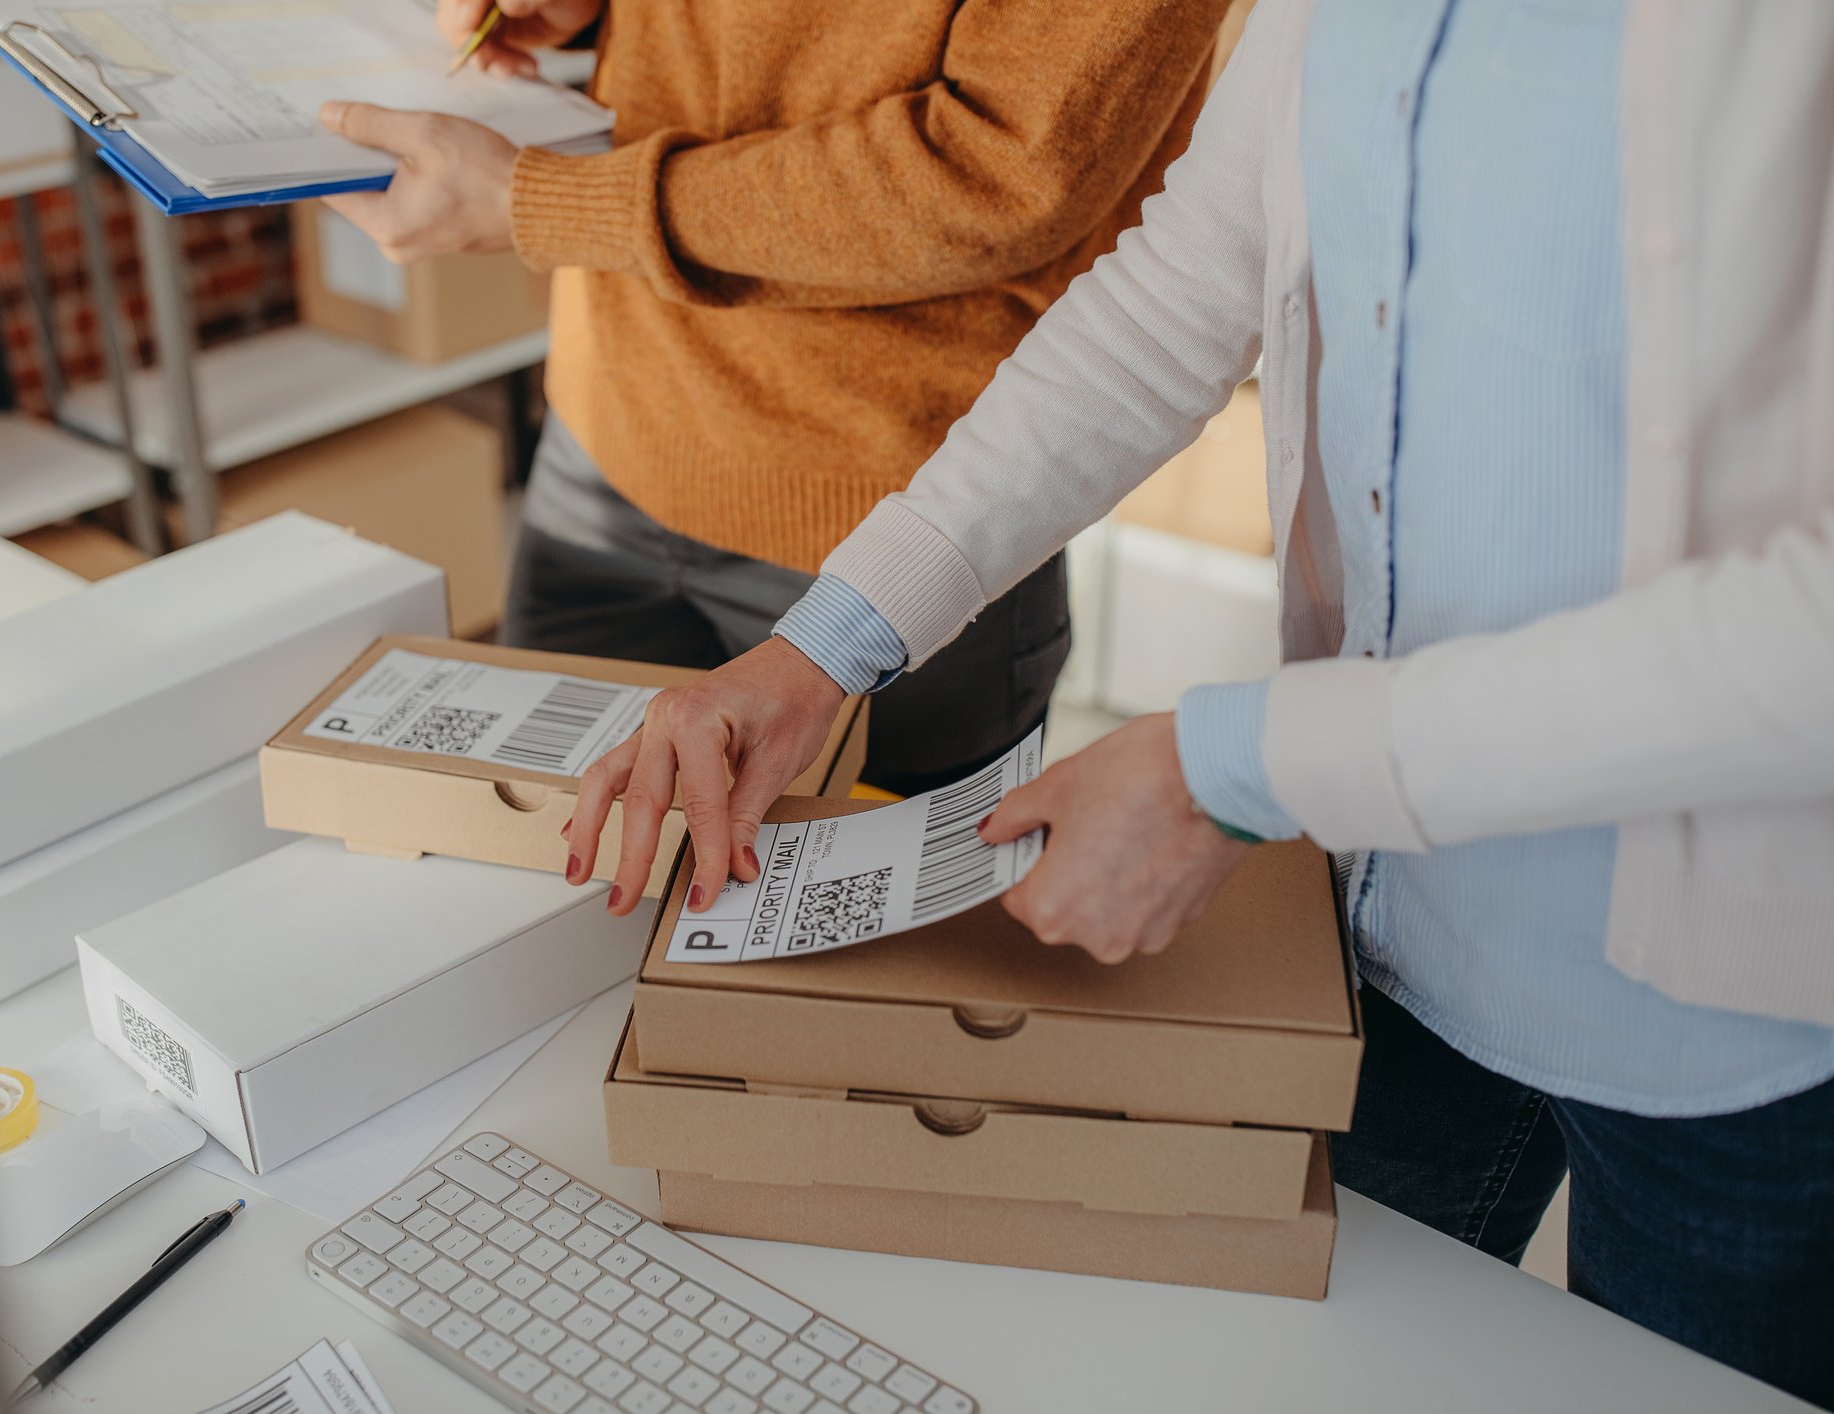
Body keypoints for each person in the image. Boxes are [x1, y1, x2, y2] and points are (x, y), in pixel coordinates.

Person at [568, 1, 1834, 1404]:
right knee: (1316, 1367)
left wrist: (1238, 767)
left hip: (1746, 1024)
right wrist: (828, 646)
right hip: (1393, 921)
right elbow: (1179, 295)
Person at [311, 0, 1233, 805]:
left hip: (903, 522)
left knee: (864, 978)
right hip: (609, 434)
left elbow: (994, 175)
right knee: (552, 886)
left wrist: (553, 204)